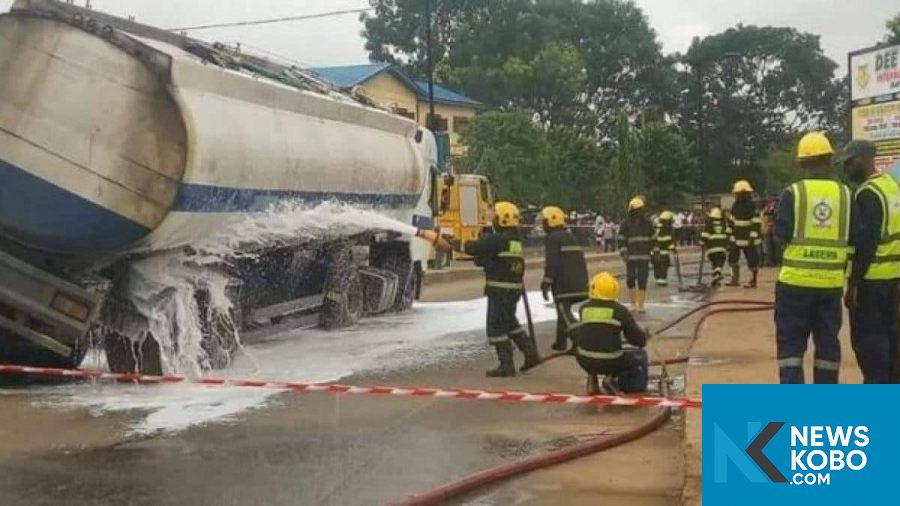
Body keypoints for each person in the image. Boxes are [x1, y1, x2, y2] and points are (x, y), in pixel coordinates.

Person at [774, 132, 852, 384]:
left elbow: (781, 235)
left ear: (802, 163)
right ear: (830, 160)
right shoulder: (846, 195)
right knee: (828, 346)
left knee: (791, 349)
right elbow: (855, 239)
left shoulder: (793, 193)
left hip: (794, 284)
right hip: (830, 286)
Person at [840, 140, 900, 384]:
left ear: (862, 160)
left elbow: (867, 242)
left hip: (872, 282)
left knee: (870, 345)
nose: (846, 169)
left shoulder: (868, 193)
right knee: (893, 342)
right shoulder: (892, 187)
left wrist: (854, 284)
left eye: (848, 162)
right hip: (895, 279)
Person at [459, 201, 540, 377]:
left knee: (495, 327)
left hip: (500, 290)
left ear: (502, 220)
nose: (493, 220)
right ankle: (530, 353)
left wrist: (456, 243)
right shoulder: (513, 239)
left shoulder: (500, 239)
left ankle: (506, 364)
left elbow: (475, 248)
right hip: (512, 290)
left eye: (495, 217)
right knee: (509, 322)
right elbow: (489, 258)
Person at [571, 272, 649, 394]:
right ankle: (611, 378)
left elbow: (592, 333)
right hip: (611, 362)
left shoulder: (583, 308)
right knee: (637, 358)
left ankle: (592, 379)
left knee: (593, 347)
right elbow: (637, 340)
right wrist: (644, 336)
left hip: (584, 360)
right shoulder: (620, 311)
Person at [540, 206, 590, 351]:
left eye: (544, 222)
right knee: (561, 312)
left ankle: (581, 341)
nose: (543, 225)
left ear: (551, 221)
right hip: (580, 283)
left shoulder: (552, 239)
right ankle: (560, 342)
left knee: (565, 313)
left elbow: (552, 263)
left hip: (565, 286)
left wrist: (546, 283)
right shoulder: (569, 236)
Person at [619, 196, 653, 313]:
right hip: (631, 257)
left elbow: (653, 239)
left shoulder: (648, 224)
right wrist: (623, 253)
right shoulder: (625, 224)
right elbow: (621, 239)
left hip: (644, 256)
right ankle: (633, 303)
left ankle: (641, 305)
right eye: (638, 210)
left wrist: (656, 252)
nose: (640, 212)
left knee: (643, 280)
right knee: (631, 279)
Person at [726, 180, 762, 288]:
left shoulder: (752, 206)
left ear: (744, 193)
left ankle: (753, 280)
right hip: (736, 237)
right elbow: (731, 221)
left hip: (748, 238)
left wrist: (753, 236)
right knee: (732, 258)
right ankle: (734, 280)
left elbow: (756, 223)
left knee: (752, 259)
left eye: (738, 193)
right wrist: (729, 235)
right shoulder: (735, 205)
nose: (736, 195)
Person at [701, 207, 729, 287]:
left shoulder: (709, 223)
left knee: (714, 262)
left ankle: (716, 275)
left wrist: (702, 241)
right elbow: (727, 233)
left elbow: (706, 234)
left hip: (712, 247)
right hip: (722, 247)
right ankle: (717, 275)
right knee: (720, 262)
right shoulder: (723, 223)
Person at [652, 210, 675, 286]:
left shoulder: (656, 227)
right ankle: (662, 281)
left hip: (654, 252)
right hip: (663, 252)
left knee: (657, 266)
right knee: (663, 266)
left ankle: (658, 280)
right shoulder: (666, 228)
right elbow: (667, 240)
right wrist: (672, 247)